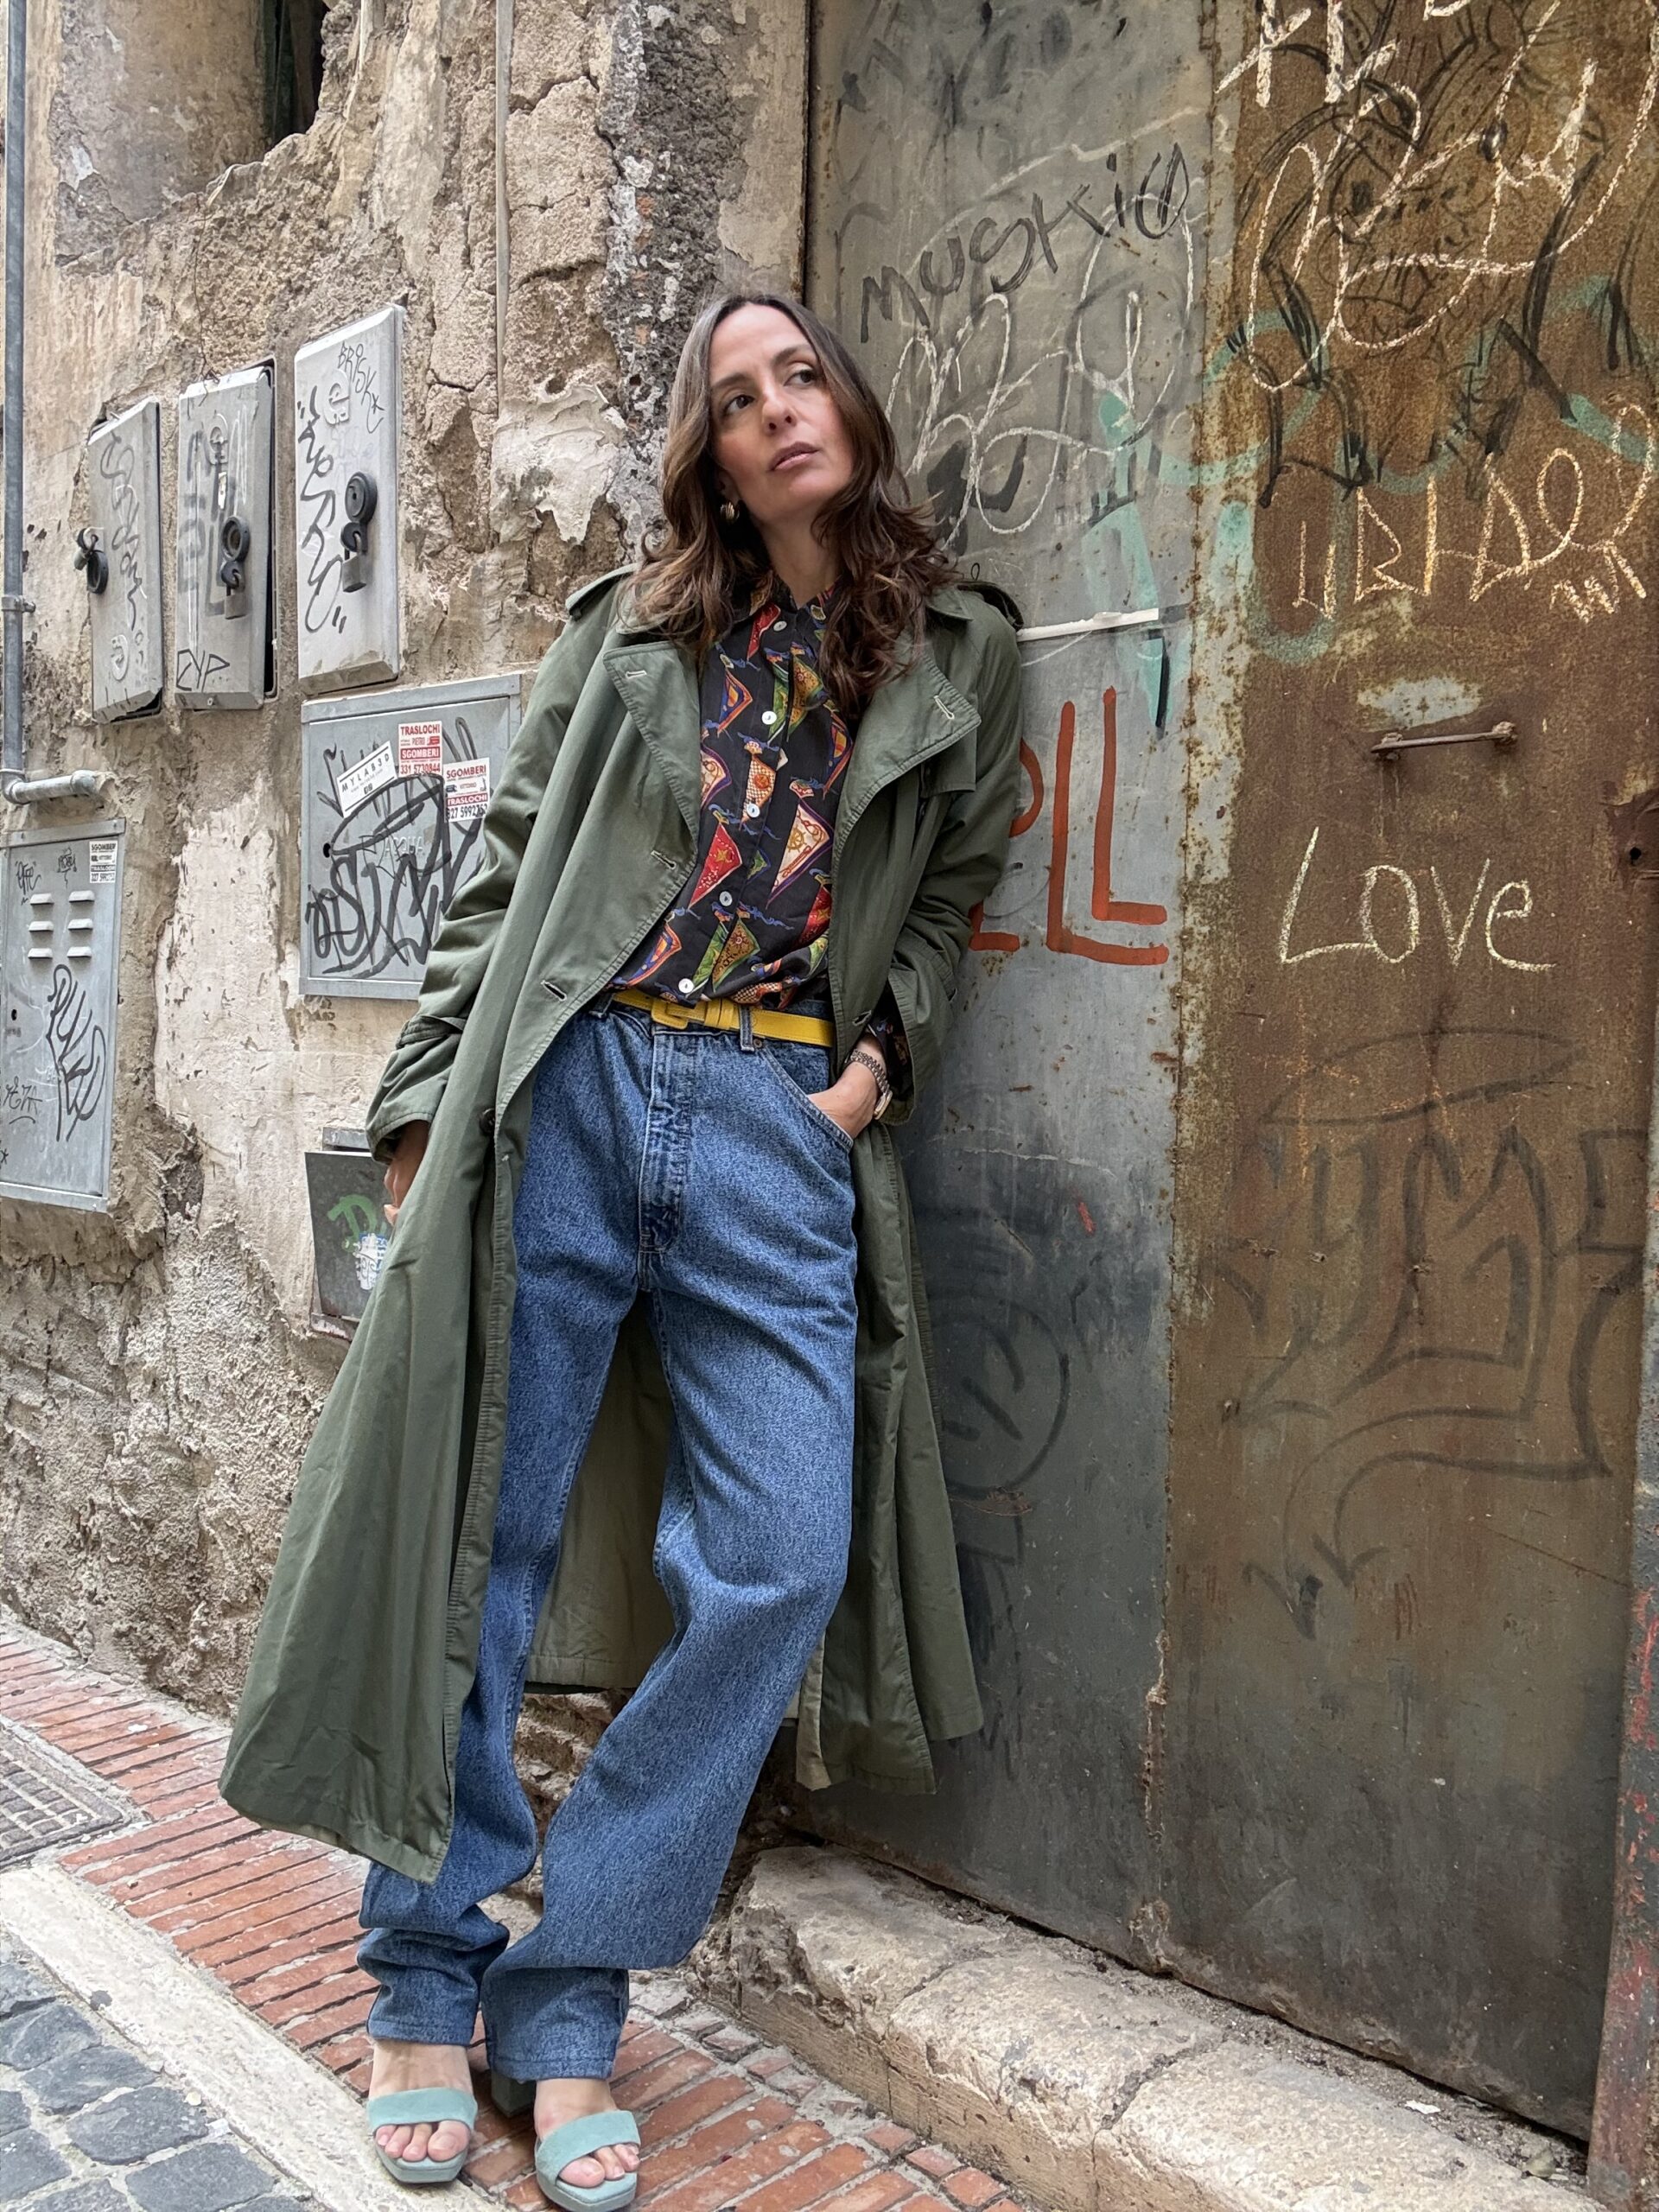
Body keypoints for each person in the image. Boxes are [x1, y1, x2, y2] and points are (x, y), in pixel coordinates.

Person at [219, 290, 1022, 2206]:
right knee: (478, 1541)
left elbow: (947, 897)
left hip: (773, 1122)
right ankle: (425, 1978)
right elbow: (504, 865)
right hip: (573, 1080)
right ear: (713, 460)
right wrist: (424, 1097)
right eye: (737, 399)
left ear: (849, 402)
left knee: (778, 1556)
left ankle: (567, 1982)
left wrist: (867, 1078)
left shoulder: (959, 652)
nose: (778, 411)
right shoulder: (634, 633)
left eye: (801, 375)